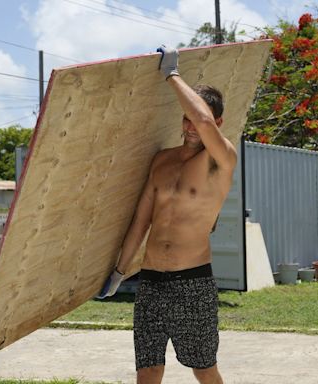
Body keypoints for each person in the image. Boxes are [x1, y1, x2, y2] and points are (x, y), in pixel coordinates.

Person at [97, 45, 236, 384]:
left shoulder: (221, 159)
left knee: (203, 368)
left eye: (198, 120)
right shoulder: (162, 160)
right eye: (186, 118)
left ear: (217, 124)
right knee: (148, 367)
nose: (191, 126)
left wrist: (172, 73)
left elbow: (203, 119)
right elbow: (141, 221)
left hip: (193, 282)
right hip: (151, 281)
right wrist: (118, 272)